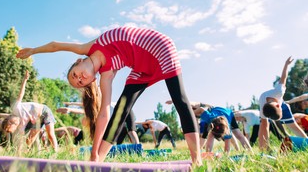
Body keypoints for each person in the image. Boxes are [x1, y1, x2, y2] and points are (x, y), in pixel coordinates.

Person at [16, 26, 201, 164]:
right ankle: (99, 159)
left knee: (179, 99)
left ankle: (197, 159)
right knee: (121, 110)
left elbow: (56, 46)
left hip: (160, 48)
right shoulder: (106, 76)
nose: (79, 79)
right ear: (91, 81)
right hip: (141, 68)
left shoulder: (87, 48)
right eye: (80, 82)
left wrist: (33, 51)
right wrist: (94, 152)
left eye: (75, 75)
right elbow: (104, 115)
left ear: (78, 61)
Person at [1, 70, 59, 152]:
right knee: (29, 140)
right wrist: (19, 151)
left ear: (10, 122)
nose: (17, 125)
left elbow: (21, 94)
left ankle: (56, 152)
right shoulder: (21, 126)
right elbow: (21, 140)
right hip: (37, 120)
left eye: (13, 125)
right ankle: (25, 155)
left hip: (44, 111)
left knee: (50, 134)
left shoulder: (16, 108)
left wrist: (24, 80)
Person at [258, 57, 307, 150]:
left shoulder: (279, 91)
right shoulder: (263, 105)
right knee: (264, 124)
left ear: (277, 105)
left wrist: (286, 64)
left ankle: (306, 141)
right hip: (273, 108)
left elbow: (283, 78)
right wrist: (263, 148)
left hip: (283, 105)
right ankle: (264, 148)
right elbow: (264, 126)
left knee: (293, 126)